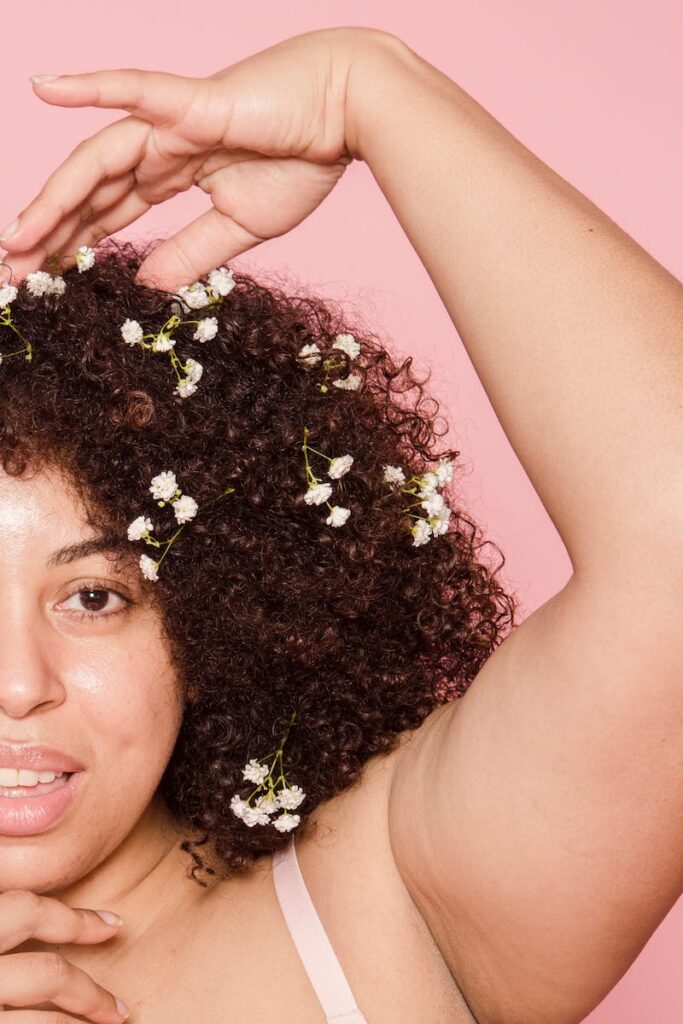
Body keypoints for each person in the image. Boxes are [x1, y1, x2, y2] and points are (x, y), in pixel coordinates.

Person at [0, 24, 680, 1024]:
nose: (20, 683)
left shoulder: (377, 902)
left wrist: (365, 92)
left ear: (214, 617)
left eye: (96, 596)